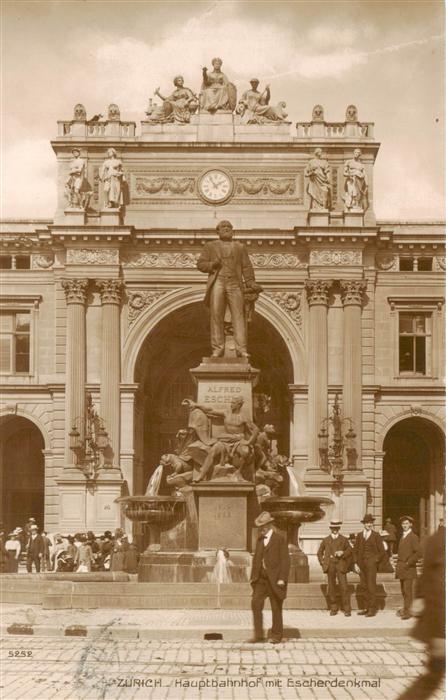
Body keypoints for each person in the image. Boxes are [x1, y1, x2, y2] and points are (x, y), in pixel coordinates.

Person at [397, 523, 445, 699]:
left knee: (432, 678)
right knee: (432, 678)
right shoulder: (440, 542)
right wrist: (441, 634)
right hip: (441, 626)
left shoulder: (435, 540)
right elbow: (438, 587)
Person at [197, 220, 257, 359]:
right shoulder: (210, 246)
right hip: (218, 281)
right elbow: (200, 264)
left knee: (239, 316)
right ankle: (217, 348)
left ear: (232, 230)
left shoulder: (240, 247)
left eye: (229, 227)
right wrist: (213, 264)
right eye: (223, 227)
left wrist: (250, 282)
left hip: (235, 283)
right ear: (217, 231)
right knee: (216, 315)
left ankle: (241, 349)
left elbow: (247, 266)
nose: (226, 229)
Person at [187, 396, 259, 482]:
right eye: (231, 402)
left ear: (239, 405)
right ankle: (202, 475)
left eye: (233, 403)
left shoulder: (243, 417)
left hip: (238, 440)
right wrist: (196, 405)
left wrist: (249, 442)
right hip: (225, 440)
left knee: (245, 452)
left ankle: (238, 473)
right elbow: (210, 410)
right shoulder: (226, 413)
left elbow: (256, 429)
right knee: (213, 451)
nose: (231, 404)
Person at [248, 511, 290, 644]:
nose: (262, 528)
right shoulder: (260, 540)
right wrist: (254, 577)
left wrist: (282, 578)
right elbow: (257, 559)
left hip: (276, 580)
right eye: (260, 526)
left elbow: (285, 560)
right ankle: (258, 635)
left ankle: (276, 635)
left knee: (276, 608)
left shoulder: (279, 539)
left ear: (270, 525)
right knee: (255, 604)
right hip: (260, 580)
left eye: (264, 525)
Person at [317, 520, 352, 616]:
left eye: (336, 528)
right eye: (333, 528)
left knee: (344, 587)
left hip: (341, 565)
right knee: (331, 587)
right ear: (330, 528)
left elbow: (350, 550)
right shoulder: (326, 540)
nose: (335, 529)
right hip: (330, 565)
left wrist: (343, 553)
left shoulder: (344, 539)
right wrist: (323, 562)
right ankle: (333, 608)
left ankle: (347, 609)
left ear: (339, 528)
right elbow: (319, 552)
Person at [353, 513, 385, 617]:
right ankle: (366, 608)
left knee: (371, 586)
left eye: (371, 522)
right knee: (364, 586)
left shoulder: (376, 535)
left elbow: (382, 551)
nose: (369, 524)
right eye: (367, 523)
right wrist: (356, 564)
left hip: (371, 565)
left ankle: (372, 609)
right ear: (364, 524)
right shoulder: (359, 535)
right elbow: (355, 551)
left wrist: (375, 560)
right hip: (361, 564)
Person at [395, 516, 421, 620]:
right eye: (403, 524)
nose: (404, 526)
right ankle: (406, 609)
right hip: (402, 568)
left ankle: (408, 612)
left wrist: (408, 562)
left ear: (410, 524)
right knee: (403, 590)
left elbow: (419, 553)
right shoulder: (402, 536)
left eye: (406, 524)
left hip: (409, 569)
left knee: (408, 591)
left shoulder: (413, 536)